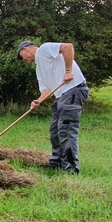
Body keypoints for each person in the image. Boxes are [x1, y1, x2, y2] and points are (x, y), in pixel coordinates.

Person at [16, 40, 89, 174]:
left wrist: (68, 71)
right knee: (55, 130)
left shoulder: (44, 49)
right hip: (61, 95)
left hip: (73, 90)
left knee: (66, 130)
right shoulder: (39, 68)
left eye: (22, 57)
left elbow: (68, 47)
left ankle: (71, 169)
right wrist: (38, 101)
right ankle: (56, 164)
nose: (24, 61)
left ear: (25, 50)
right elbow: (47, 89)